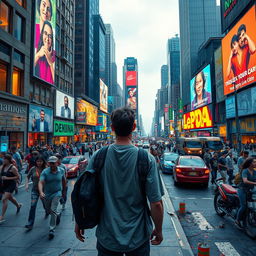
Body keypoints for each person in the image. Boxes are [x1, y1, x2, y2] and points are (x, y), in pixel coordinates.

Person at [74, 107, 164, 255]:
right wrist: (159, 230)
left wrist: (80, 221)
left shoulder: (98, 156)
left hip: (107, 237)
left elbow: (85, 194)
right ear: (134, 127)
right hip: (138, 238)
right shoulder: (146, 159)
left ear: (112, 128)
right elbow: (156, 203)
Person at [38, 156, 66, 239]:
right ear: (48, 163)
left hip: (57, 193)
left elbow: (64, 182)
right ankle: (58, 214)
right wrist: (41, 192)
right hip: (47, 194)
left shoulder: (61, 170)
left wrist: (64, 192)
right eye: (50, 163)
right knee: (48, 210)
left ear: (57, 163)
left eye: (53, 163)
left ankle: (51, 229)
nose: (52, 165)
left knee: (53, 209)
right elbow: (40, 182)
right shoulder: (45, 172)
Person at [25, 155, 47, 230]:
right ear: (36, 162)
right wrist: (27, 184)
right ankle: (30, 223)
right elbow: (27, 177)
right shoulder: (33, 169)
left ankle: (47, 211)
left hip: (45, 191)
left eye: (41, 161)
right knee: (33, 206)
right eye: (38, 161)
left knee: (46, 205)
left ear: (43, 162)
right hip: (35, 190)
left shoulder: (46, 169)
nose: (39, 163)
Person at [0, 154, 22, 224]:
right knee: (10, 198)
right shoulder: (1, 167)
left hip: (11, 185)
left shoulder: (13, 168)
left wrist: (7, 178)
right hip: (4, 185)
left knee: (4, 199)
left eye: (5, 159)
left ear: (8, 160)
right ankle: (18, 206)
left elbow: (18, 177)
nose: (3, 160)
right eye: (3, 159)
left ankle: (2, 216)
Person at [235, 158, 256, 229]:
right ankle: (237, 220)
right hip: (242, 190)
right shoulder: (245, 171)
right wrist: (255, 183)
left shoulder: (254, 171)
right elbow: (245, 181)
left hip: (250, 190)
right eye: (254, 162)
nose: (255, 163)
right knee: (243, 206)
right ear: (250, 163)